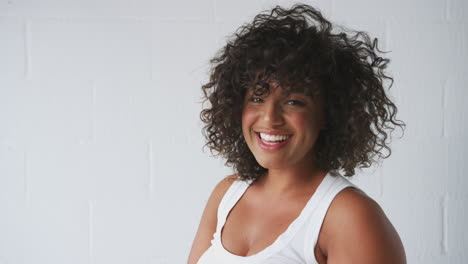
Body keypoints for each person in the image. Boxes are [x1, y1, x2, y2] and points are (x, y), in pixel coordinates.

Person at [188, 3, 406, 264]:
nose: (269, 118)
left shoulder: (348, 216)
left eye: (293, 101)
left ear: (328, 113)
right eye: (257, 98)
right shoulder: (226, 195)